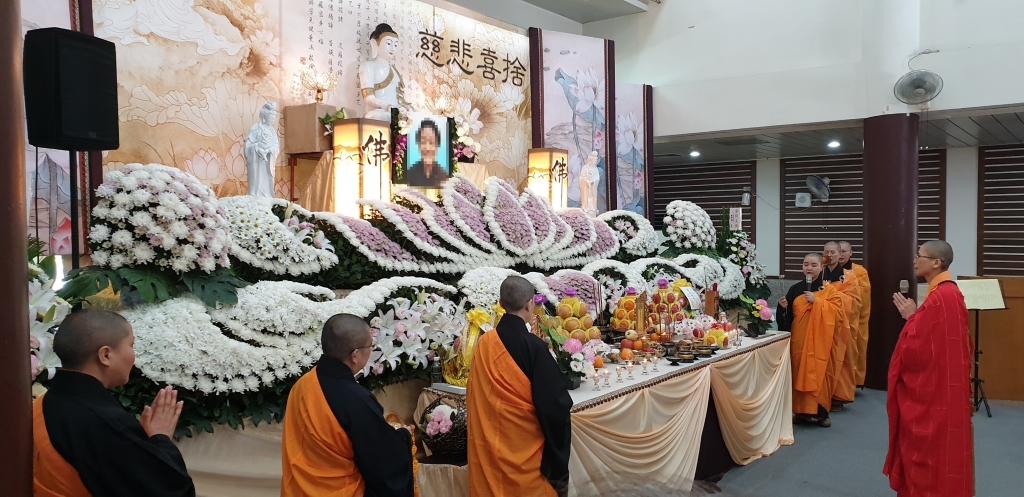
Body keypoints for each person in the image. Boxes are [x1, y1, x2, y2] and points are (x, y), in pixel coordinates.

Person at [34, 309, 195, 496]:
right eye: (131, 345)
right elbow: (172, 491)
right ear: (105, 355)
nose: (134, 356)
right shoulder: (104, 421)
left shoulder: (44, 402)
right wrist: (160, 438)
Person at [281, 314, 414, 497]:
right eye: (370, 346)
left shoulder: (303, 384)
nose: (371, 350)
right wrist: (404, 437)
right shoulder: (356, 400)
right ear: (355, 355)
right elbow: (384, 464)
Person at [468, 275, 573, 496]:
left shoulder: (484, 343)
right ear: (529, 304)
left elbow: (476, 396)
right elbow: (554, 407)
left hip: (490, 449)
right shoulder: (534, 347)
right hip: (526, 456)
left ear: (501, 303)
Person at [885, 240, 973, 497]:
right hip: (943, 388)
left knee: (935, 450)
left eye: (920, 256)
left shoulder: (944, 297)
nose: (915, 260)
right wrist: (915, 318)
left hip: (938, 393)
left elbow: (919, 348)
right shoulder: (942, 293)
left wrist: (911, 317)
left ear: (936, 262)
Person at [776, 253, 845, 427]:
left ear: (821, 268)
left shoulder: (829, 290)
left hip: (821, 342)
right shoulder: (795, 289)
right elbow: (787, 320)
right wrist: (782, 308)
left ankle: (822, 413)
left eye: (814, 265)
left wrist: (818, 302)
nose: (809, 268)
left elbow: (839, 316)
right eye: (806, 264)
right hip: (799, 341)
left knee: (820, 374)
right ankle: (801, 412)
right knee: (799, 371)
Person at [839, 241, 872, 388]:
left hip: (855, 318)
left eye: (844, 251)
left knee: (856, 347)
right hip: (835, 315)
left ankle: (855, 381)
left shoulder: (859, 271)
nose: (841, 255)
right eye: (838, 251)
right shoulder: (827, 270)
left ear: (851, 253)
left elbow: (862, 296)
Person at [360, 23, 407, 121]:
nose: (392, 48)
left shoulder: (394, 70)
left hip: (396, 112)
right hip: (380, 111)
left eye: (395, 45)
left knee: (416, 117)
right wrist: (386, 106)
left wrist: (406, 108)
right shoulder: (368, 66)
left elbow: (401, 99)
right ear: (375, 44)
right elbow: (369, 98)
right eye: (389, 43)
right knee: (372, 116)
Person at [407, 119, 448, 188]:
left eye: (431, 142)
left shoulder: (444, 177)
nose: (427, 148)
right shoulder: (409, 175)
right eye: (423, 142)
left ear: (437, 145)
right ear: (418, 144)